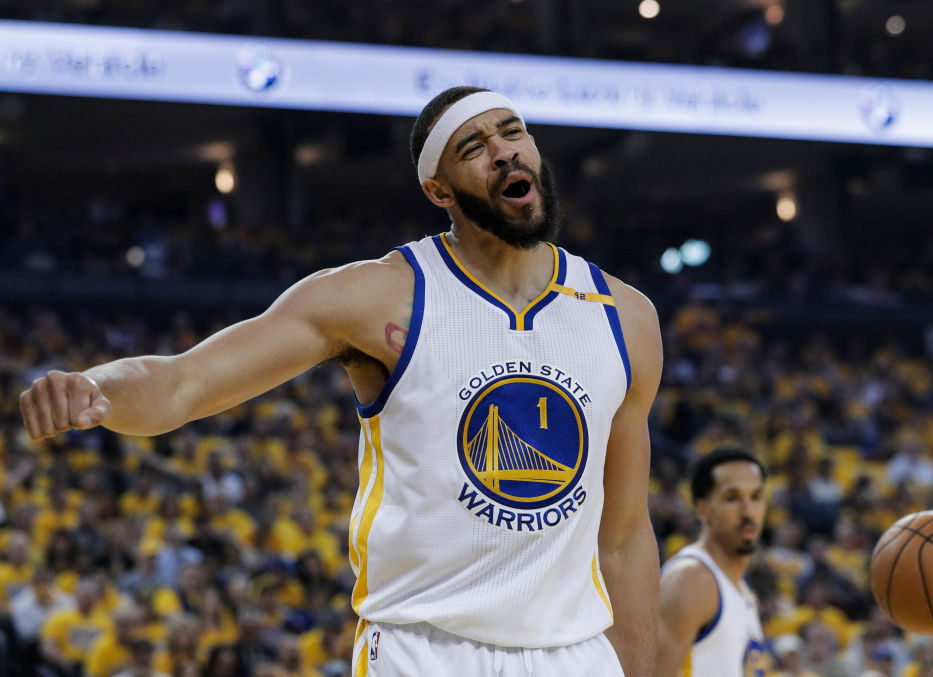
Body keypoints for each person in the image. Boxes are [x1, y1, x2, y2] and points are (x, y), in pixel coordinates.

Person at [20, 86, 662, 676]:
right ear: (440, 191)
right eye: (474, 147)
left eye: (513, 132)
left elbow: (627, 537)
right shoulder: (379, 296)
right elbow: (184, 383)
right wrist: (93, 387)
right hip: (422, 649)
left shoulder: (625, 319)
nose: (502, 152)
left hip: (571, 655)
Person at [654, 447, 770, 677]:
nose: (748, 512)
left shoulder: (746, 594)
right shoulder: (691, 578)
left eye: (756, 497)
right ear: (703, 509)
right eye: (732, 498)